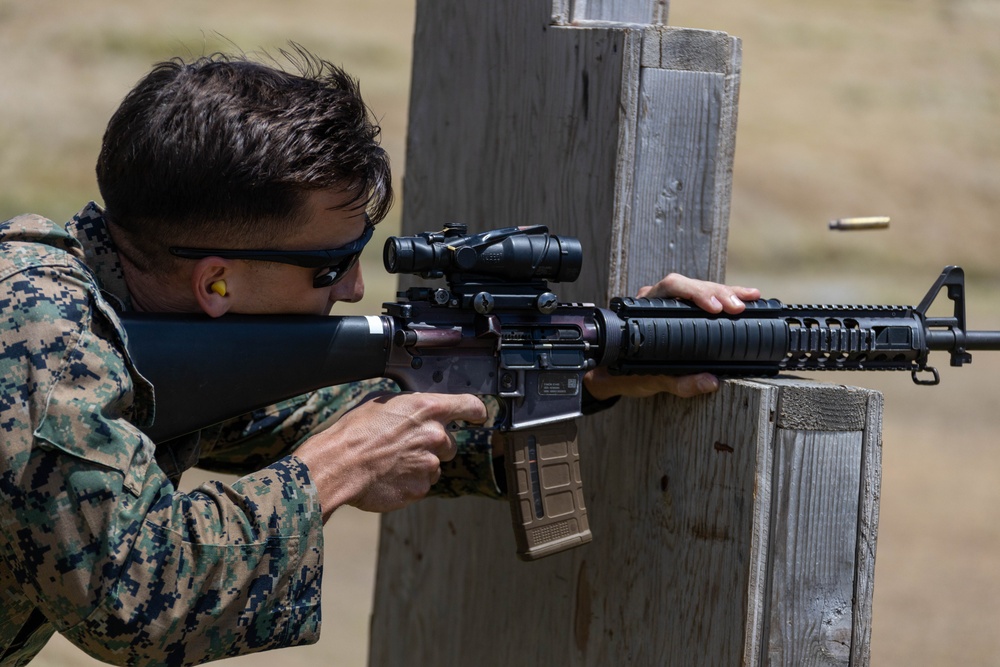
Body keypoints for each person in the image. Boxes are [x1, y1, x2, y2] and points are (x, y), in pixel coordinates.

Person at [0, 48, 760, 665]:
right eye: (330, 265)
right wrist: (332, 470)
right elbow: (135, 599)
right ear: (216, 282)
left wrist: (588, 366)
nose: (358, 286)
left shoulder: (124, 313)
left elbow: (309, 412)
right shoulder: (40, 339)